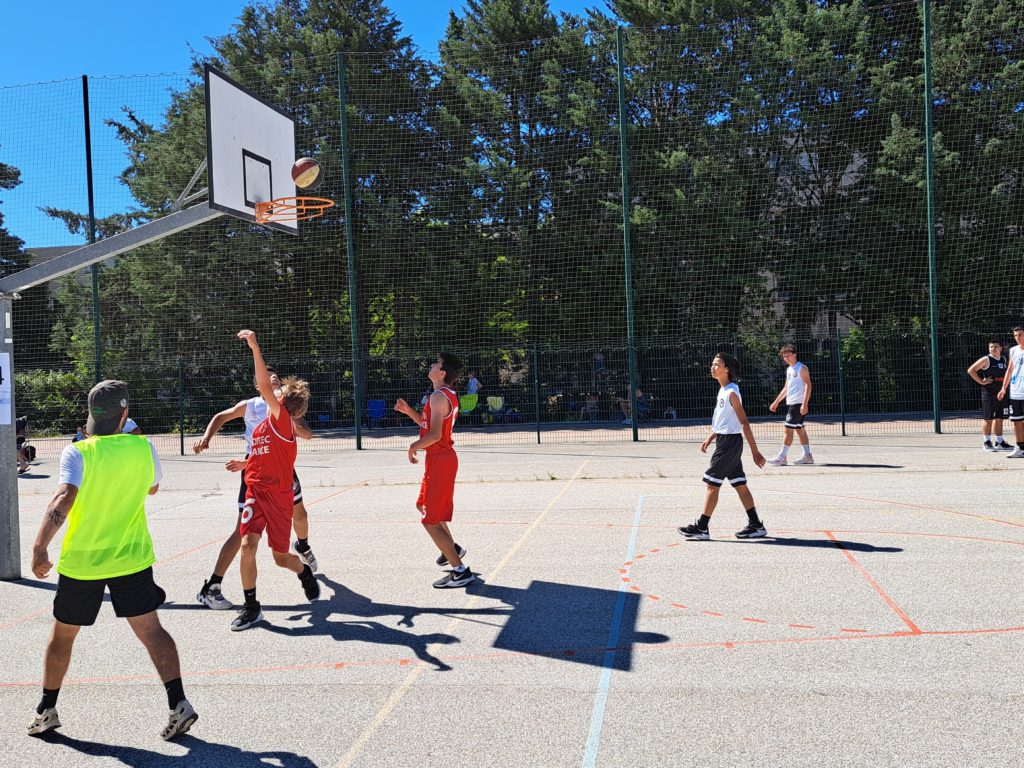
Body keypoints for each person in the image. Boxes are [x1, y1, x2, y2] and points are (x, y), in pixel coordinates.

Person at [28, 380, 197, 740]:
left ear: (90, 414)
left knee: (63, 635)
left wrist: (40, 547)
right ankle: (178, 702)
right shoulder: (143, 447)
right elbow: (152, 487)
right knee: (152, 630)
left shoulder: (78, 452)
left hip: (83, 562)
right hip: (131, 557)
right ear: (125, 413)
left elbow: (63, 498)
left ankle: (46, 710)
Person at [193, 364, 317, 611]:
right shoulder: (250, 405)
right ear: (259, 384)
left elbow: (307, 434)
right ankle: (214, 586)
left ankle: (302, 546)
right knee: (243, 534)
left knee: (300, 515)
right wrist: (206, 438)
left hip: (281, 468)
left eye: (276, 377)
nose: (273, 379)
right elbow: (220, 417)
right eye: (267, 378)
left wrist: (289, 420)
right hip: (254, 468)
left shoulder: (284, 408)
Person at [227, 330, 319, 631]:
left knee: (280, 558)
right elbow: (262, 453)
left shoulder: (282, 419)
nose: (271, 390)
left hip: (278, 498)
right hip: (255, 491)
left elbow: (264, 385)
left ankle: (303, 571)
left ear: (283, 402)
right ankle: (251, 607)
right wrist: (245, 463)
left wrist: (254, 347)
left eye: (277, 392)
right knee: (247, 545)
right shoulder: (266, 425)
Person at [393, 353, 475, 589]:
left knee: (429, 521)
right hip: (438, 459)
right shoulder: (442, 394)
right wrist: (409, 411)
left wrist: (413, 446)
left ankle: (460, 571)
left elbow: (435, 435)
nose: (431, 365)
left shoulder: (439, 396)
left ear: (443, 372)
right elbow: (428, 426)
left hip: (441, 459)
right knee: (425, 507)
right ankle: (452, 549)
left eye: (436, 364)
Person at [679, 354, 767, 540]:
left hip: (729, 444)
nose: (712, 367)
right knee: (739, 484)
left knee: (712, 484)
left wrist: (755, 451)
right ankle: (756, 525)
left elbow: (744, 422)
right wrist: (711, 437)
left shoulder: (731, 392)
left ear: (727, 369)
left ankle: (702, 528)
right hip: (725, 441)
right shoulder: (723, 390)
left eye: (717, 364)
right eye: (712, 364)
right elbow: (724, 421)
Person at [766, 344, 814, 465]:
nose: (786, 358)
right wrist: (776, 402)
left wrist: (804, 404)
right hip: (792, 402)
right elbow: (786, 388)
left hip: (797, 403)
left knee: (788, 430)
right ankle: (807, 456)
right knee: (799, 429)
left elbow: (808, 385)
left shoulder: (801, 368)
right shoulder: (789, 369)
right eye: (784, 356)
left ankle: (782, 457)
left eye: (788, 355)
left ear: (794, 354)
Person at [967, 339, 1012, 451]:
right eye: (991, 346)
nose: (993, 348)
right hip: (989, 393)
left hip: (1001, 393)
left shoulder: (1003, 359)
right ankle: (986, 442)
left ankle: (1000, 442)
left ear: (1001, 348)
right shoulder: (986, 359)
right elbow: (971, 370)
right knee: (988, 418)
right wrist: (981, 382)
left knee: (1000, 418)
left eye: (996, 346)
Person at [997, 325, 1024, 458]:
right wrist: (1003, 388)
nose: (1017, 337)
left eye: (1020, 335)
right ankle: (1020, 448)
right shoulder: (1013, 350)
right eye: (1015, 335)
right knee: (1017, 421)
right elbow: (1010, 369)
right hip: (1016, 391)